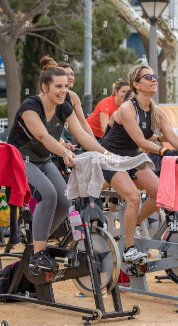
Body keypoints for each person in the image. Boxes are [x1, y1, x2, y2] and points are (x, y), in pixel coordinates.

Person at [7, 56, 110, 272]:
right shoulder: (30, 106)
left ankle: (38, 245)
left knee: (65, 198)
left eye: (66, 86)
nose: (64, 91)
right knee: (48, 194)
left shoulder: (64, 106)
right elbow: (43, 136)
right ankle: (38, 254)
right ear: (45, 87)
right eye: (58, 86)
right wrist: (63, 151)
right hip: (19, 160)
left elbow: (82, 135)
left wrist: (108, 154)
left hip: (42, 159)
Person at [101, 64, 178, 263]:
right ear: (135, 84)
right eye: (147, 76)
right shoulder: (128, 108)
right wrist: (164, 151)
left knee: (161, 192)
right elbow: (141, 142)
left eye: (154, 76)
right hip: (111, 157)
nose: (154, 79)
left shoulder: (156, 110)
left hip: (132, 158)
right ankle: (129, 249)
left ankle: (131, 225)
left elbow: (171, 136)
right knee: (133, 197)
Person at [57, 61, 95, 141]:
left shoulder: (73, 97)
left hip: (60, 141)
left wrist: (95, 143)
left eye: (72, 74)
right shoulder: (51, 96)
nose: (71, 77)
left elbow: (83, 123)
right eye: (66, 74)